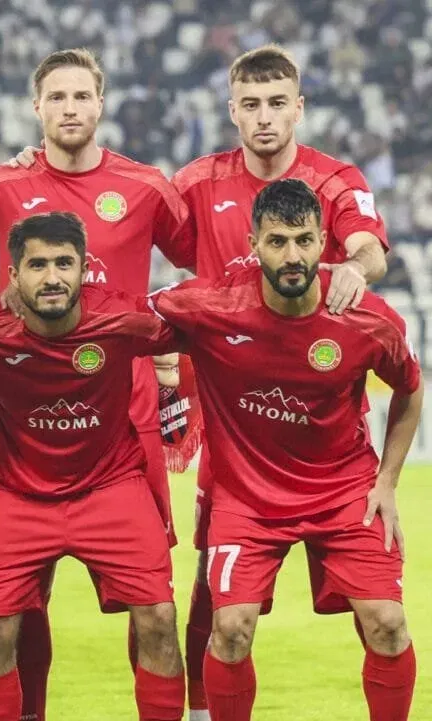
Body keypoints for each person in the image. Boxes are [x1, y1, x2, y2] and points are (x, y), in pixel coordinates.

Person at [0, 49, 193, 720]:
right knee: (14, 610)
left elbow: (204, 261)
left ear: (100, 103)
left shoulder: (146, 185)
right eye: (55, 96)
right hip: (32, 413)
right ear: (37, 108)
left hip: (130, 419)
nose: (68, 107)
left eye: (80, 95)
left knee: (149, 604)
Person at [169, 47, 390, 719]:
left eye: (277, 103)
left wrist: (357, 265)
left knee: (373, 599)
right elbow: (139, 240)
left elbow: (370, 247)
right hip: (233, 415)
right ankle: (205, 710)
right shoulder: (196, 184)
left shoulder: (333, 179)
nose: (264, 118)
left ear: (299, 106)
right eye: (251, 104)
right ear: (232, 109)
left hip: (321, 416)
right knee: (216, 584)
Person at [147, 179, 418, 721]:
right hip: (247, 500)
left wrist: (386, 481)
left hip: (344, 492)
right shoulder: (212, 303)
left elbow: (410, 390)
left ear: (324, 243)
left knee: (388, 624)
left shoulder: (367, 318)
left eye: (303, 240)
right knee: (229, 629)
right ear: (253, 242)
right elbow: (124, 320)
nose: (292, 256)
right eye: (276, 242)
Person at [0, 211, 185, 721]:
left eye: (64, 264)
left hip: (112, 488)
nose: (52, 277)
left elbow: (214, 327)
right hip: (19, 496)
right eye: (38, 265)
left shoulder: (123, 318)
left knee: (159, 618)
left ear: (83, 268)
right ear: (14, 275)